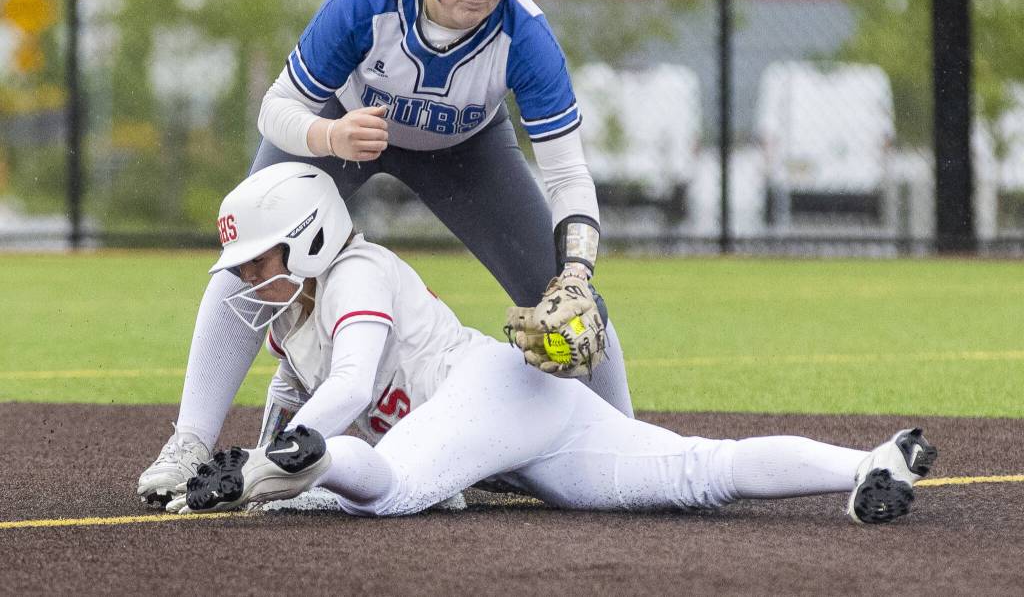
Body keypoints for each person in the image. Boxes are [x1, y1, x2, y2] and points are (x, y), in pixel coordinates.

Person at [138, 0, 636, 508]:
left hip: (467, 150)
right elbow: (275, 109)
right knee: (250, 258)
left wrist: (578, 271)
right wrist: (330, 133)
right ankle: (188, 443)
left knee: (571, 302)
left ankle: (630, 441)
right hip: (341, 127)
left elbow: (567, 175)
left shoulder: (525, 33)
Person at [164, 163, 937, 525]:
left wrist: (282, 463)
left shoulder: (355, 276)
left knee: (392, 491)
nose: (246, 276)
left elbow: (354, 387)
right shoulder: (296, 308)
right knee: (696, 472)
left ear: (309, 238)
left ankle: (322, 468)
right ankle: (869, 463)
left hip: (486, 393)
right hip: (518, 412)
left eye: (258, 258)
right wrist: (261, 465)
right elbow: (296, 393)